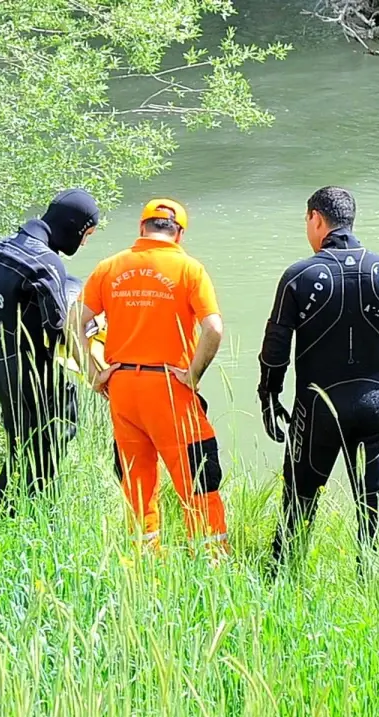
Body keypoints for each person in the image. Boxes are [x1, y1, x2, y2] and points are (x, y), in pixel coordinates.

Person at [258, 186, 379, 566]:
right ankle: (375, 590)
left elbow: (275, 346)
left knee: (300, 501)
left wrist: (268, 396)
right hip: (373, 406)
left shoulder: (299, 275)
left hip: (317, 409)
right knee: (375, 504)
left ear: (316, 219)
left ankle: (282, 583)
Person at [79, 199, 228, 552]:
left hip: (123, 388)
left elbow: (76, 321)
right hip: (170, 389)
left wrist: (94, 373)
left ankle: (143, 566)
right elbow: (214, 328)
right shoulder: (189, 269)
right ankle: (212, 564)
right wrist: (192, 375)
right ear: (179, 233)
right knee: (198, 479)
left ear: (141, 228)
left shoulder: (109, 267)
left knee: (136, 484)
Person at [0, 188, 100, 516]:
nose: (85, 243)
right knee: (46, 449)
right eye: (86, 235)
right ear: (75, 228)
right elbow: (63, 328)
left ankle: (3, 520)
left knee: (17, 449)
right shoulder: (46, 264)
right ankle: (34, 521)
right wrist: (94, 371)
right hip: (35, 374)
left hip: (2, 367)